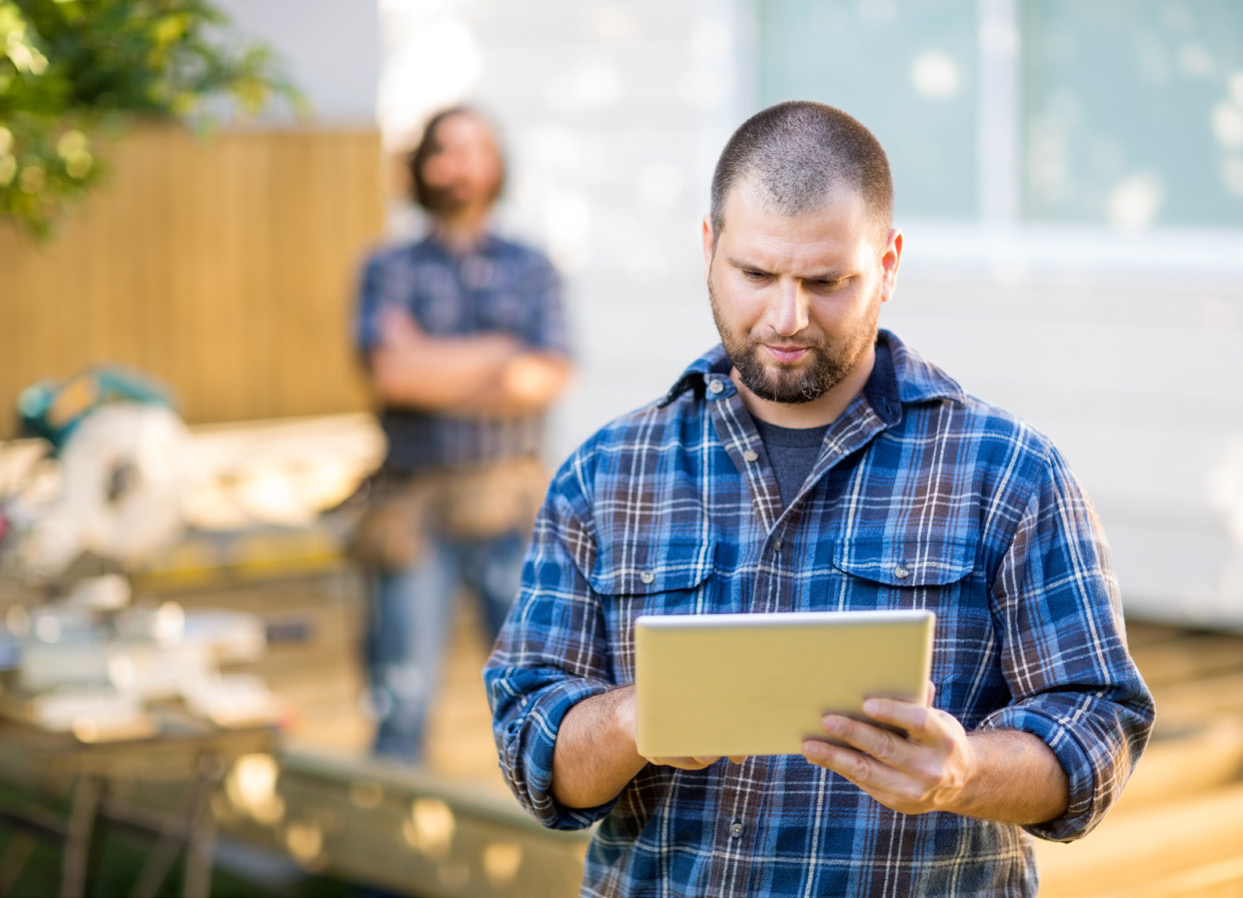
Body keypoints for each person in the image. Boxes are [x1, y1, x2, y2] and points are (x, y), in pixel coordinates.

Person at [483, 101, 1154, 896]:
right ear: (709, 248)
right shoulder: (605, 473)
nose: (787, 316)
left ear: (890, 262)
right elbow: (531, 748)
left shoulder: (1007, 470)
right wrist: (639, 718)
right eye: (756, 275)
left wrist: (964, 772)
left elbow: (1098, 727)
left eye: (827, 281)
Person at [352, 106, 572, 762]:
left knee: (540, 698)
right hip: (413, 511)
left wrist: (434, 361)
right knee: (400, 700)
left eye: (476, 148)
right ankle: (380, 865)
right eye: (444, 150)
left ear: (497, 164)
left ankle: (551, 849)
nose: (460, 164)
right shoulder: (385, 266)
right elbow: (392, 375)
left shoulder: (533, 266)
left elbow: (545, 376)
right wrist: (502, 354)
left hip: (512, 510)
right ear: (421, 167)